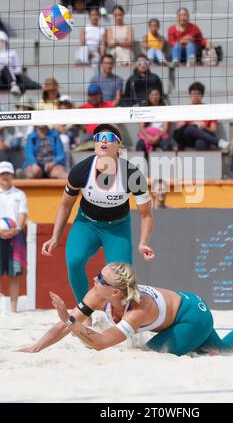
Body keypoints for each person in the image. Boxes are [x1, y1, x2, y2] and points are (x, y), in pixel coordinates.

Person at [19, 262, 233, 356]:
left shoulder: (139, 310)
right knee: (224, 350)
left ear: (115, 292)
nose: (95, 279)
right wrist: (35, 347)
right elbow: (65, 325)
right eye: (98, 275)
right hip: (187, 304)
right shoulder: (98, 293)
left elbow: (101, 344)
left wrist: (69, 320)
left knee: (151, 352)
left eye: (101, 278)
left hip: (191, 318)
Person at [40, 125, 155, 304]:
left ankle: (121, 317)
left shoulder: (132, 174)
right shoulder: (81, 170)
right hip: (86, 224)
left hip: (117, 228)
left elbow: (146, 214)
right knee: (75, 261)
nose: (103, 140)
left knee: (122, 279)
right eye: (99, 137)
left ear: (118, 146)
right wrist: (55, 237)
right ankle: (84, 310)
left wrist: (143, 242)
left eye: (109, 137)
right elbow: (65, 206)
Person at [0, 162, 27, 313]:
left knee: (15, 274)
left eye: (7, 173)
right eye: (2, 174)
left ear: (11, 175)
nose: (4, 176)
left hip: (15, 237)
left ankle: (13, 309)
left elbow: (22, 214)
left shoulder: (19, 194)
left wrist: (17, 229)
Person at [173, 82, 230, 151]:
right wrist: (186, 124)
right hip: (188, 139)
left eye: (198, 94)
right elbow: (178, 128)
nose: (195, 97)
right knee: (190, 128)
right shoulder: (185, 109)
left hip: (204, 138)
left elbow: (214, 130)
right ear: (190, 95)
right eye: (193, 94)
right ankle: (217, 142)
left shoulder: (209, 110)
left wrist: (204, 127)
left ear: (202, 95)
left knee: (200, 143)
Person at [0, 31, 40, 96]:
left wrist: (10, 71)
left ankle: (14, 86)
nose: (0, 44)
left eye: (2, 41)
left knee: (6, 68)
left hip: (12, 77)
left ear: (6, 42)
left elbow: (18, 68)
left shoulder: (12, 53)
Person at [136, 88, 172, 155]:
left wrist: (157, 137)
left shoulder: (164, 108)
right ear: (148, 96)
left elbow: (165, 127)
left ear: (160, 96)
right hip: (147, 135)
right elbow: (141, 127)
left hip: (160, 135)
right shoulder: (144, 108)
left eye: (156, 94)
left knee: (167, 146)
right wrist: (148, 137)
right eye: (152, 95)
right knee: (140, 145)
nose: (154, 97)